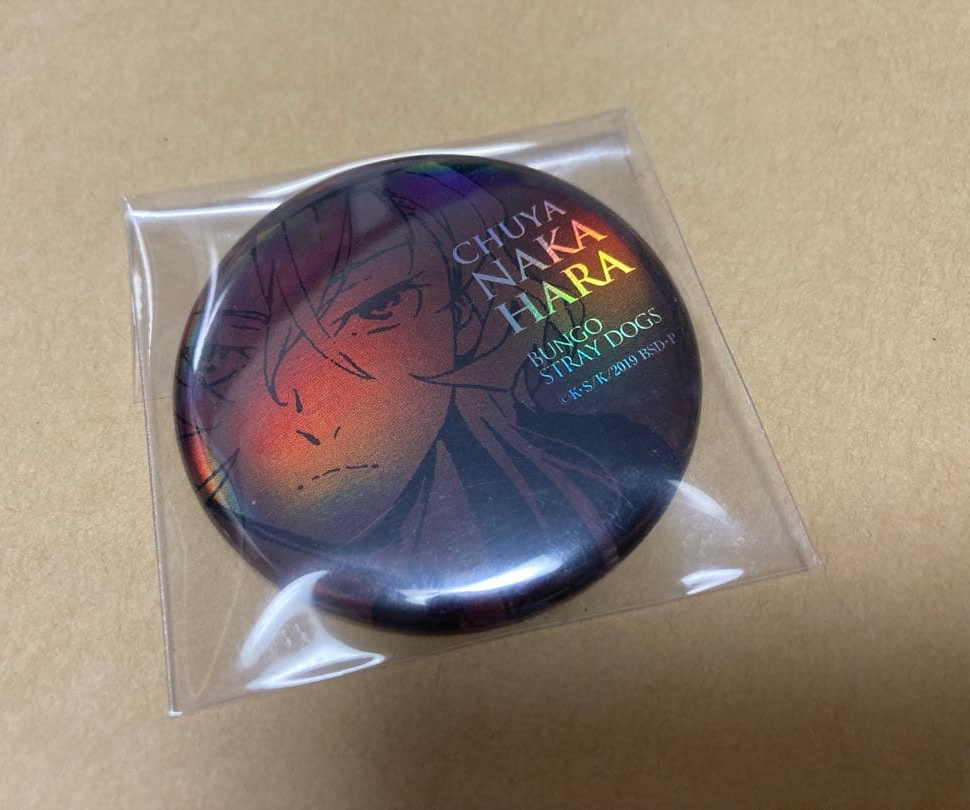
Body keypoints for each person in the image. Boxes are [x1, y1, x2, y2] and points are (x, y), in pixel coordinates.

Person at [175, 157, 696, 630]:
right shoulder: (300, 533)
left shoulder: (608, 462)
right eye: (236, 356)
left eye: (380, 311)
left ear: (463, 318)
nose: (304, 403)